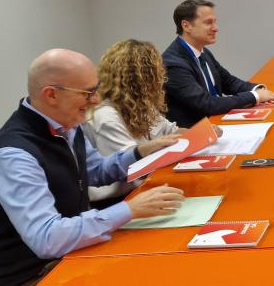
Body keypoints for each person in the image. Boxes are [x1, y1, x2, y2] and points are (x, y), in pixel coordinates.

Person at [0, 49, 186, 285]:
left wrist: (140, 152)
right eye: (88, 93)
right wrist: (129, 210)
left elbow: (95, 172)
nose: (96, 100)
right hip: (36, 275)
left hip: (75, 254)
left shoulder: (66, 125)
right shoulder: (14, 156)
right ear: (51, 95)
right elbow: (48, 238)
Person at [88, 39, 208, 204]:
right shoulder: (107, 116)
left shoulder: (141, 104)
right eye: (156, 73)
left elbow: (171, 131)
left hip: (146, 185)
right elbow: (132, 167)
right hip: (121, 198)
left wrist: (202, 133)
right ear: (142, 79)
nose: (162, 78)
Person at [163, 0, 274, 127]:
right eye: (208, 23)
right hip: (196, 133)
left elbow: (229, 82)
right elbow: (207, 104)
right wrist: (255, 96)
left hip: (216, 123)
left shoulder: (203, 52)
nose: (216, 28)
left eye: (215, 22)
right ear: (186, 26)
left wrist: (259, 90)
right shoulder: (173, 64)